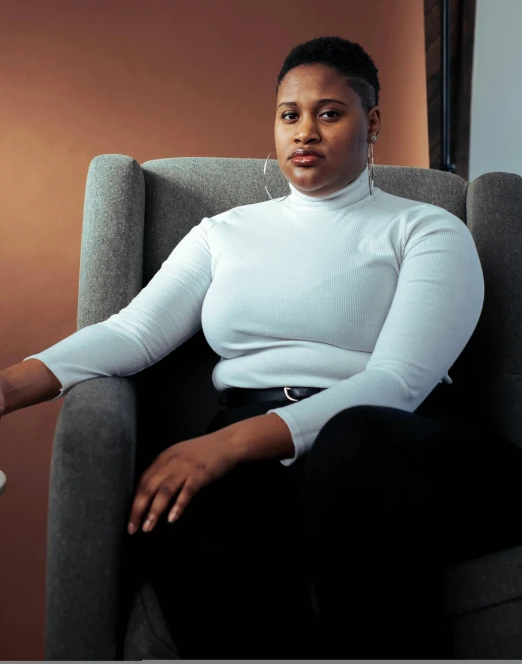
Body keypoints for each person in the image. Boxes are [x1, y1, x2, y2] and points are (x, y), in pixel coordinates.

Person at [2, 35, 522, 659]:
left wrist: (222, 445)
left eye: (330, 113)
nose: (305, 131)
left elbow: (398, 381)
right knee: (181, 514)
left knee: (354, 442)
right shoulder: (224, 235)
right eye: (289, 114)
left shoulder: (428, 228)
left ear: (372, 121)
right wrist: (6, 387)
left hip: (403, 440)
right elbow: (132, 333)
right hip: (267, 447)